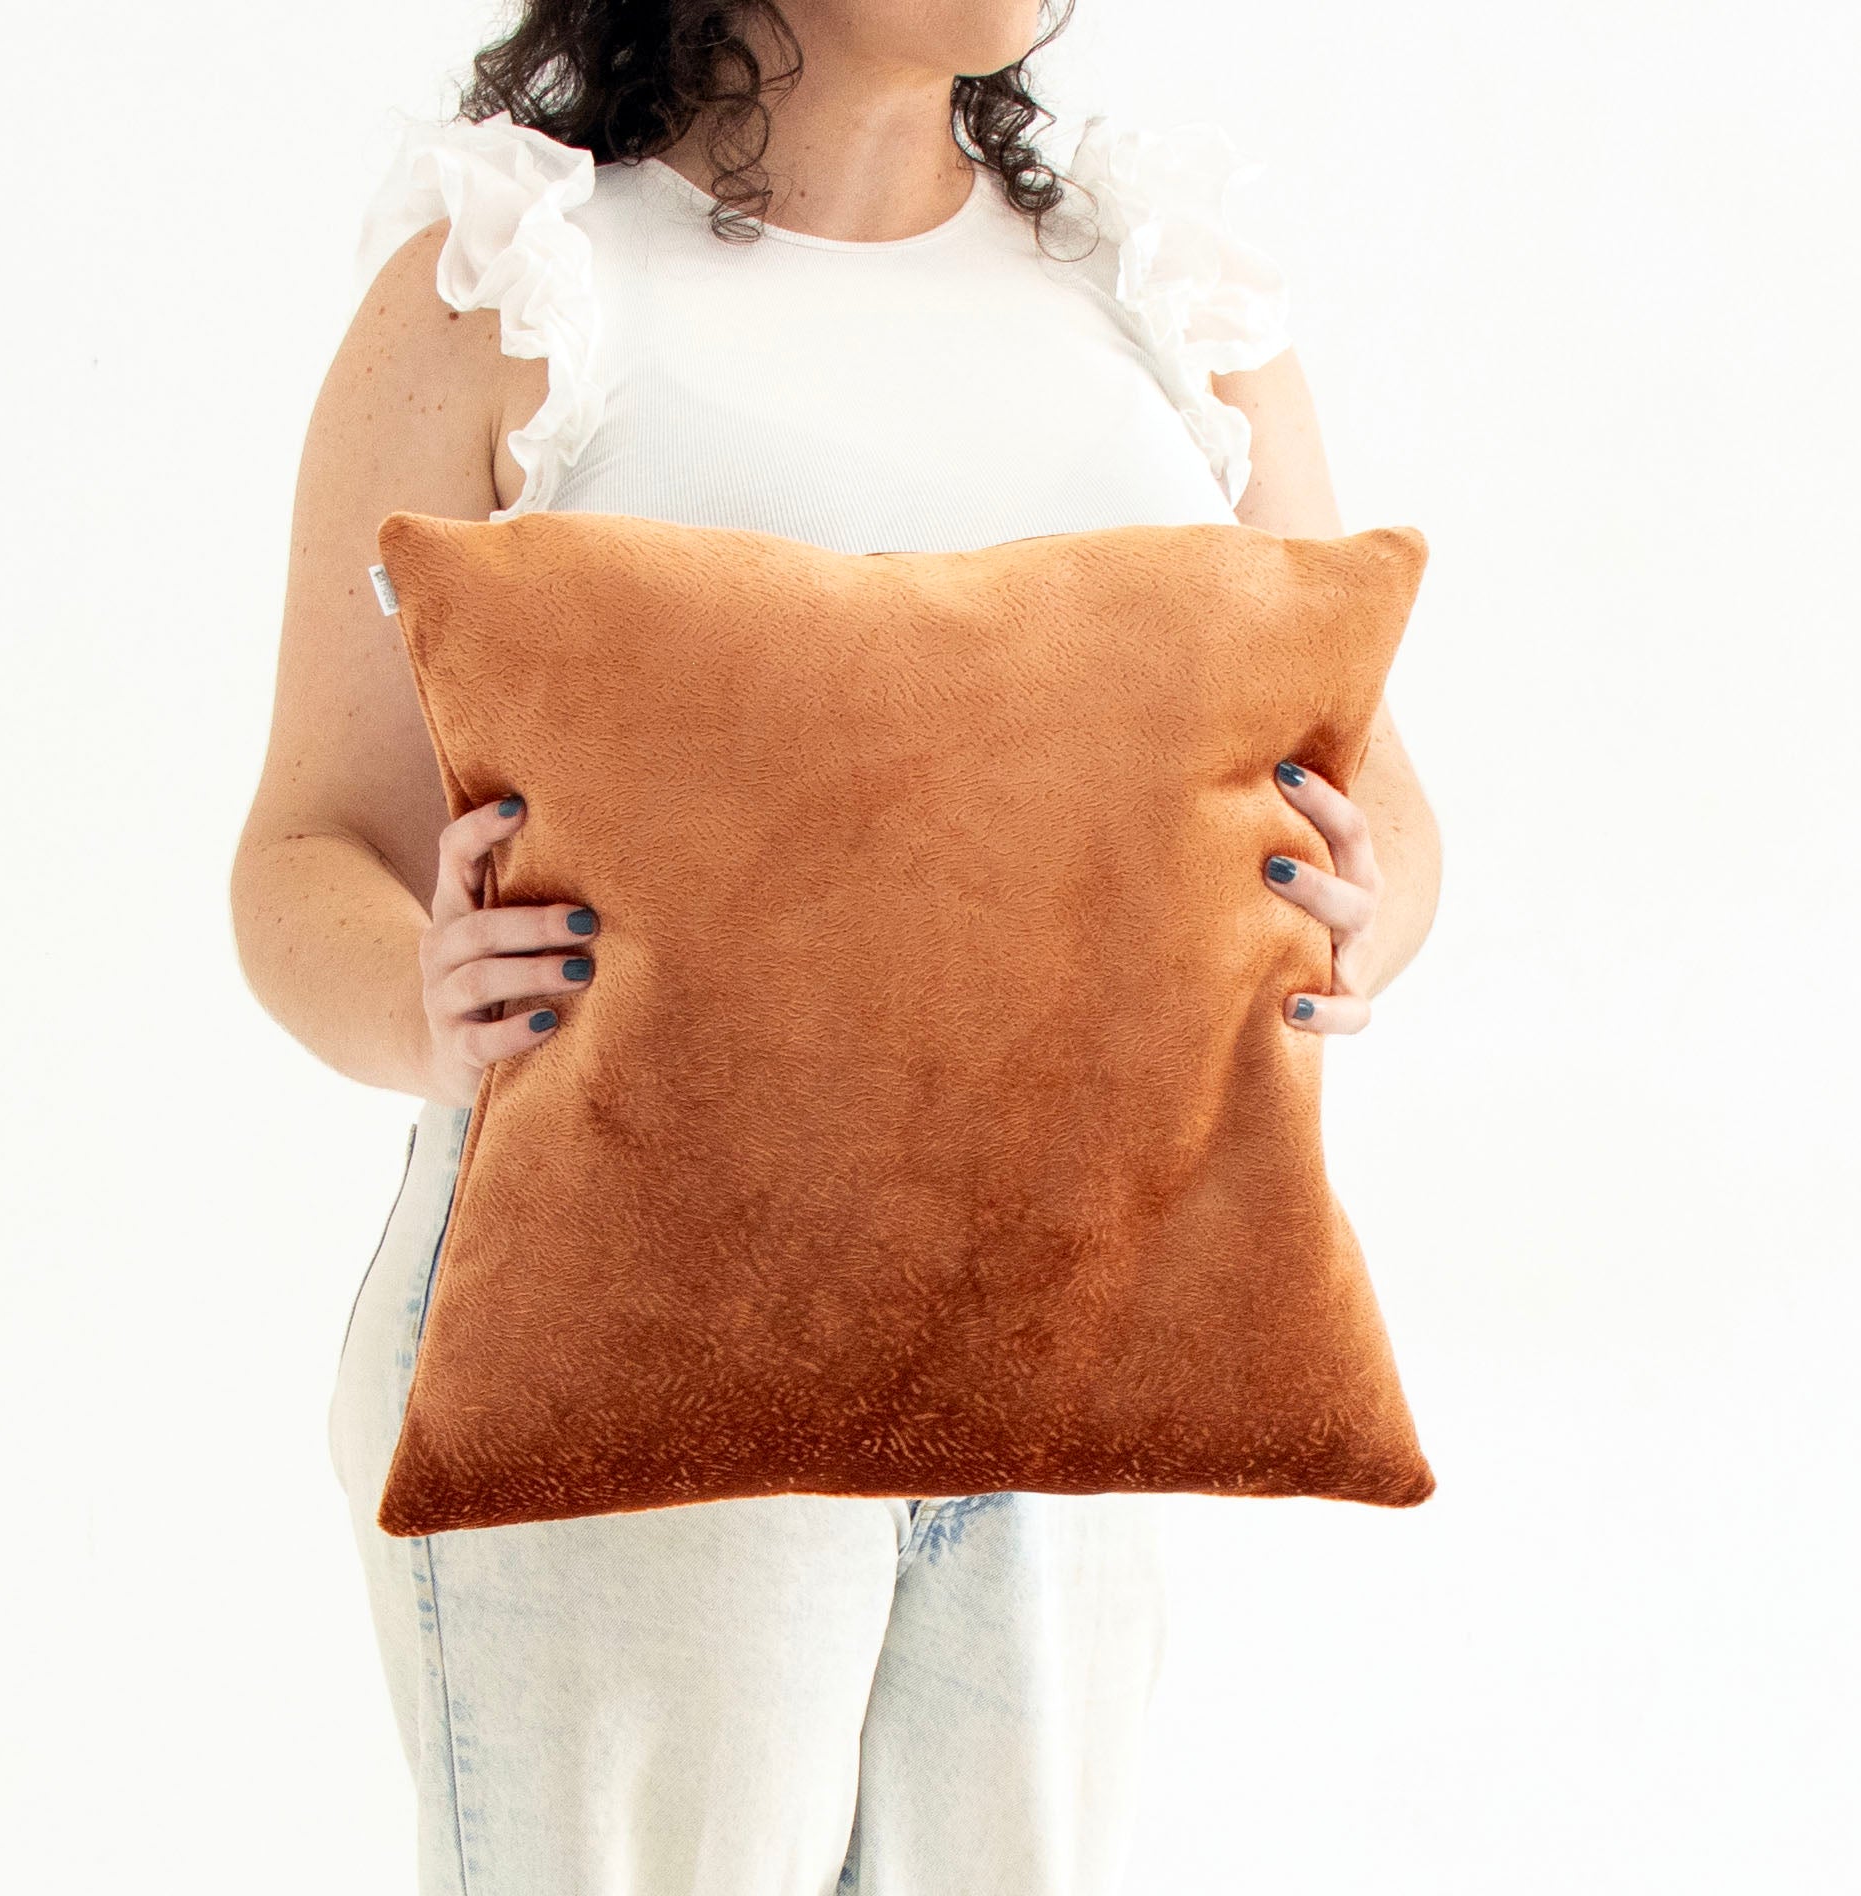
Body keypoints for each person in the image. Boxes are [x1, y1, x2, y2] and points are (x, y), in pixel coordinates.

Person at [228, 2, 1443, 1890]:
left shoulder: (1166, 304)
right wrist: (422, 996)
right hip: (625, 1360)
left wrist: (1358, 916)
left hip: (1074, 1357)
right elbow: (307, 850)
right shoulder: (511, 289)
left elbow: (1380, 801)